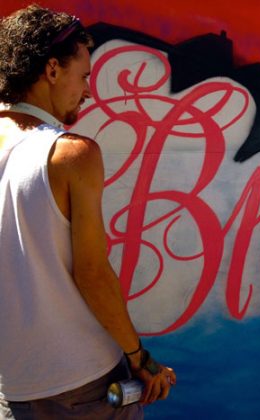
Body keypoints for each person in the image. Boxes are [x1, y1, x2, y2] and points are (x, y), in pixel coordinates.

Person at [0, 6, 176, 419]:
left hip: (10, 386)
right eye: (84, 76)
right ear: (52, 71)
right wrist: (140, 357)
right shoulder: (70, 154)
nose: (89, 92)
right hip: (83, 385)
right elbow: (93, 275)